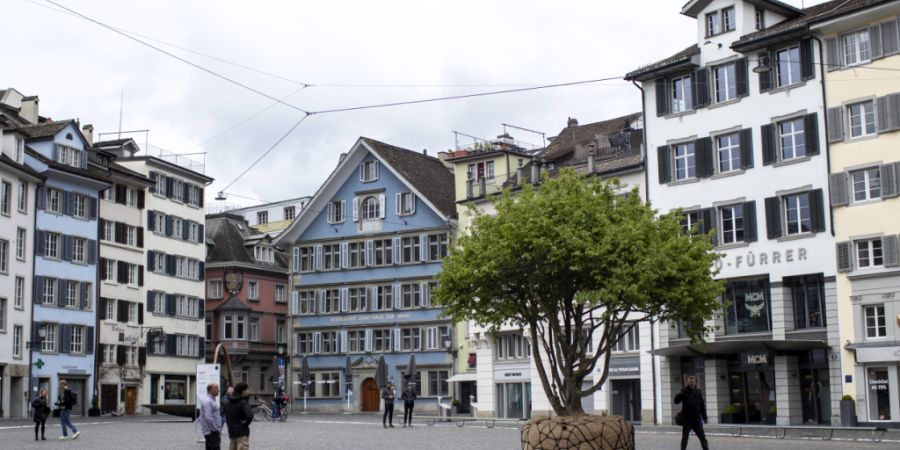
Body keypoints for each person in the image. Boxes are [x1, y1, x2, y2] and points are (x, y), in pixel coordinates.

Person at [674, 375, 709, 450]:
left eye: (692, 381)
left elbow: (702, 405)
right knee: (685, 438)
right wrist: (679, 394)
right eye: (689, 381)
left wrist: (704, 417)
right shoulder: (684, 391)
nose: (691, 383)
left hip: (697, 419)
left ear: (695, 382)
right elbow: (676, 402)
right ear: (688, 382)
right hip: (687, 419)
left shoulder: (698, 391)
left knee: (703, 438)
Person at [224, 382, 254, 450]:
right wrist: (246, 424)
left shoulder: (227, 403)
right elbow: (250, 415)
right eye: (247, 390)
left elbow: (226, 416)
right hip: (242, 433)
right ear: (243, 391)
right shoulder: (243, 402)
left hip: (232, 432)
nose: (248, 392)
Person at [199, 382, 222, 450]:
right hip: (211, 431)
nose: (218, 390)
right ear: (210, 390)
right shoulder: (208, 401)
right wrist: (215, 428)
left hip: (212, 431)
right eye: (216, 388)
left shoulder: (211, 400)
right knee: (214, 447)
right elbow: (208, 417)